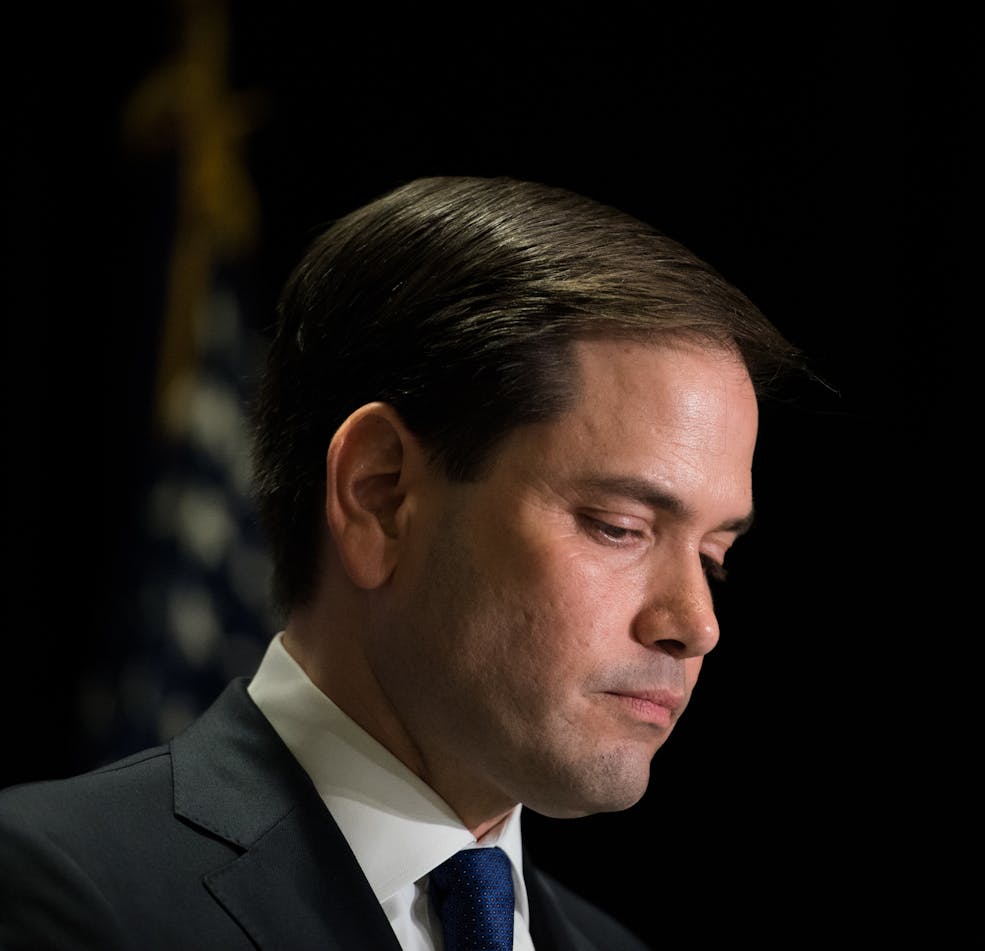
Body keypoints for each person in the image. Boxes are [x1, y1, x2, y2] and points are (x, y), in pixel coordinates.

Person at [0, 175, 807, 950]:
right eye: (619, 526)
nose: (695, 624)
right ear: (380, 496)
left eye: (716, 555)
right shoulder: (56, 890)